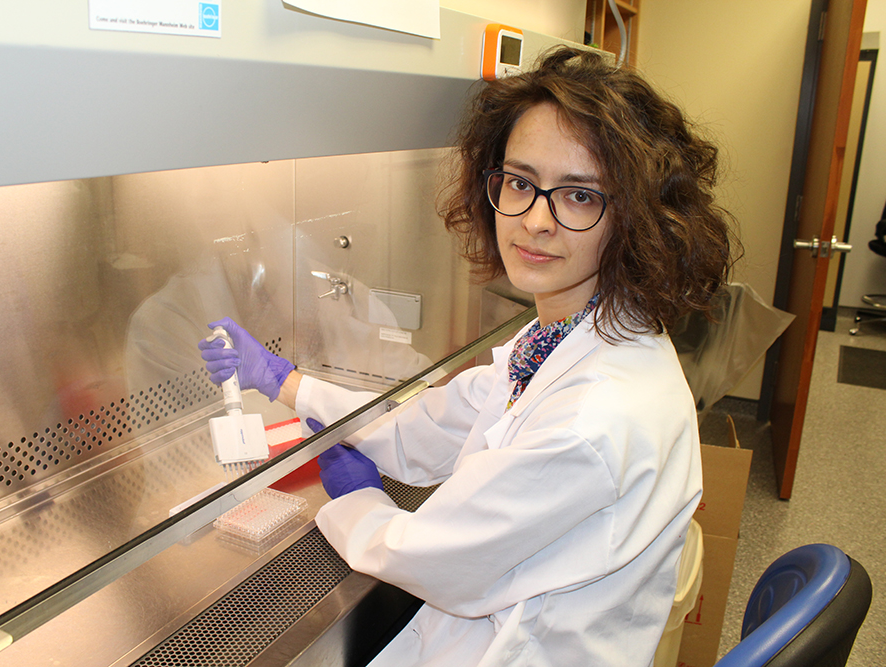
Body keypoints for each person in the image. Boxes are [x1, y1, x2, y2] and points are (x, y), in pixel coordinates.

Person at [199, 45, 737, 667]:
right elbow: (430, 425)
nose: (536, 220)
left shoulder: (596, 417)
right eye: (520, 182)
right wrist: (287, 383)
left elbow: (429, 557)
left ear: (637, 218)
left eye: (580, 196)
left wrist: (354, 502)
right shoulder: (562, 337)